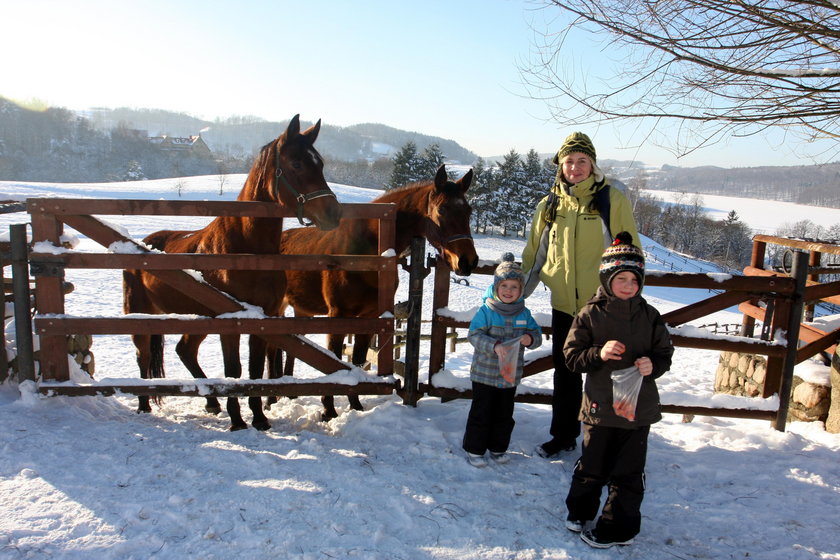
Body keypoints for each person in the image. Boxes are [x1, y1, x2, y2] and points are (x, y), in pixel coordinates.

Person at [521, 132, 639, 458]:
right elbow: (535, 254)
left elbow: (629, 250)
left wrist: (626, 298)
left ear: (593, 164)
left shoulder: (611, 200)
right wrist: (519, 296)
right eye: (569, 161)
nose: (575, 167)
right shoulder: (550, 205)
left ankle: (602, 438)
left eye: (582, 161)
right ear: (560, 165)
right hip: (563, 305)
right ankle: (563, 435)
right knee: (566, 372)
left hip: (603, 307)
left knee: (606, 374)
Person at [562, 232, 673, 548]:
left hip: (638, 411)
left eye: (634, 279)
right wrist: (598, 353)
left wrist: (654, 364)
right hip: (600, 407)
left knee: (628, 473)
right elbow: (571, 357)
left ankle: (618, 528)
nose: (627, 285)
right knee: (591, 466)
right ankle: (580, 511)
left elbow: (664, 353)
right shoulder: (590, 314)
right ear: (606, 278)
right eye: (620, 277)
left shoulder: (650, 316)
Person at [462, 252, 543, 468]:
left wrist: (530, 338)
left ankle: (498, 448)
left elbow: (537, 336)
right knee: (481, 413)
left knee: (504, 415)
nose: (509, 291)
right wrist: (494, 345)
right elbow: (474, 335)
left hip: (510, 376)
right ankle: (475, 449)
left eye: (514, 287)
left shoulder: (524, 314)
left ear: (521, 290)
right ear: (496, 288)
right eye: (504, 286)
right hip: (484, 374)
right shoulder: (486, 311)